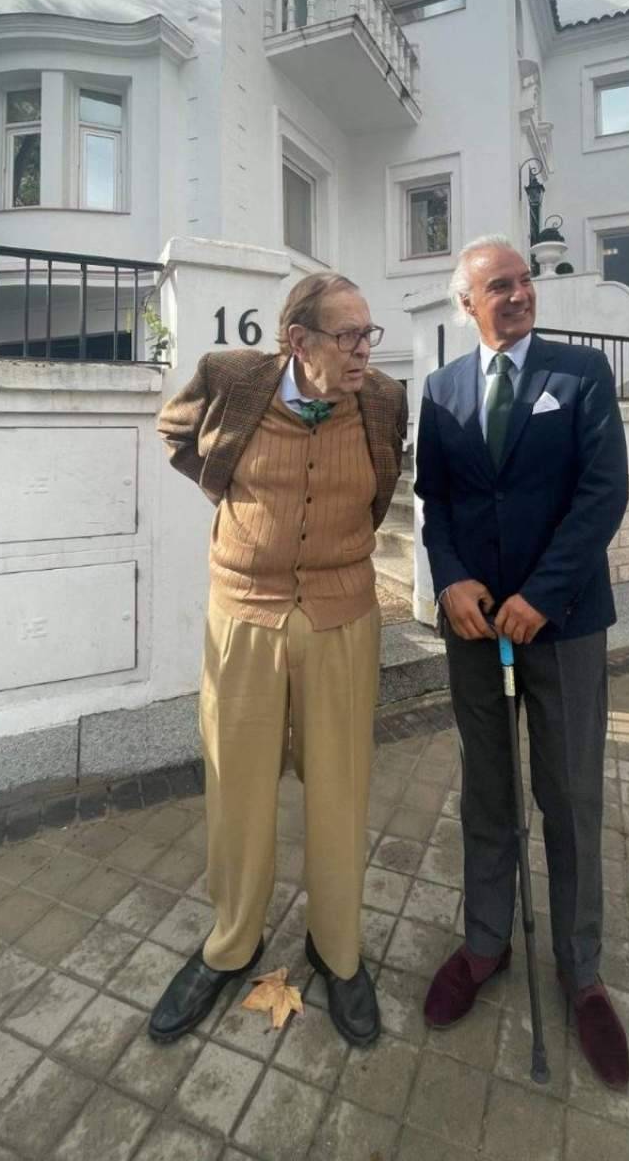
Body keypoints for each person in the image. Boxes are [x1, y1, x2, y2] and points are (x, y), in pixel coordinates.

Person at [149, 271, 407, 1048]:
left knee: (340, 787)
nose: (363, 350)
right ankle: (231, 944)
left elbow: (383, 483)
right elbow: (176, 432)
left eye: (368, 334)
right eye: (348, 336)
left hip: (342, 615)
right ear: (298, 341)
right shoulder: (234, 380)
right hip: (244, 613)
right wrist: (231, 498)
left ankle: (338, 951)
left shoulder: (384, 400)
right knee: (236, 784)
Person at [413, 235, 629, 1088]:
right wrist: (451, 580)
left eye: (523, 280)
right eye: (498, 285)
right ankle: (484, 944)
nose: (518, 293)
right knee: (489, 789)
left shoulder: (581, 374)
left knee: (570, 794)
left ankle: (581, 971)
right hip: (476, 632)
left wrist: (540, 593)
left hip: (564, 625)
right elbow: (436, 501)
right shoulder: (441, 390)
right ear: (466, 304)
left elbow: (602, 494)